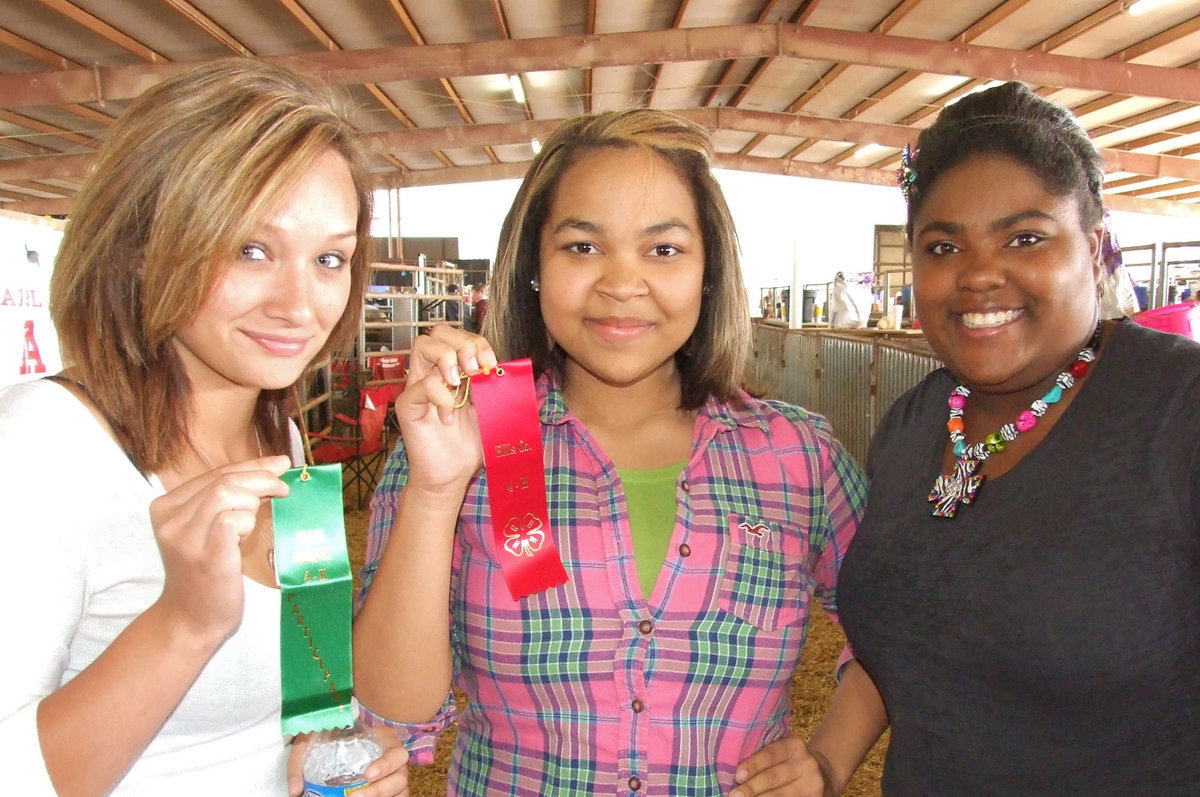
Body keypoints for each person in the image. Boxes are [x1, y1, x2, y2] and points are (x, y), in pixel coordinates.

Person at [353, 108, 884, 795]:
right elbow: (394, 708)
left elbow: (896, 627)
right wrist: (433, 489)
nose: (621, 282)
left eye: (663, 250)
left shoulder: (793, 454)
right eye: (582, 246)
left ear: (708, 273)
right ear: (534, 265)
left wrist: (829, 760)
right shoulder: (470, 438)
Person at [0, 60, 409, 796]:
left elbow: (264, 712)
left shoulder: (277, 433)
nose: (299, 303)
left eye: (329, 258)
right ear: (143, 242)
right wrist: (183, 622)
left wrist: (331, 751)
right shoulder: (41, 446)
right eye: (251, 249)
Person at [838, 81, 1200, 794]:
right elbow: (905, 647)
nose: (978, 274)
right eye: (944, 246)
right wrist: (824, 758)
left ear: (1095, 250)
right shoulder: (912, 428)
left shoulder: (1178, 414)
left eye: (1025, 237)